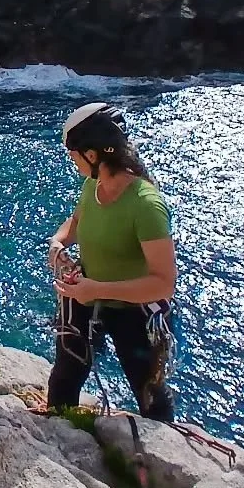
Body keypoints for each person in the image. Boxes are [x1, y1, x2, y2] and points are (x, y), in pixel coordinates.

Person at [45, 102, 177, 421]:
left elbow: (163, 283)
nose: (71, 159)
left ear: (92, 155)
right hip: (87, 296)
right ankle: (59, 434)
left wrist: (97, 289)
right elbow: (76, 222)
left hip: (134, 313)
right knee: (66, 374)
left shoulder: (146, 205)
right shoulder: (94, 185)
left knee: (151, 397)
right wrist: (58, 242)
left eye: (73, 153)